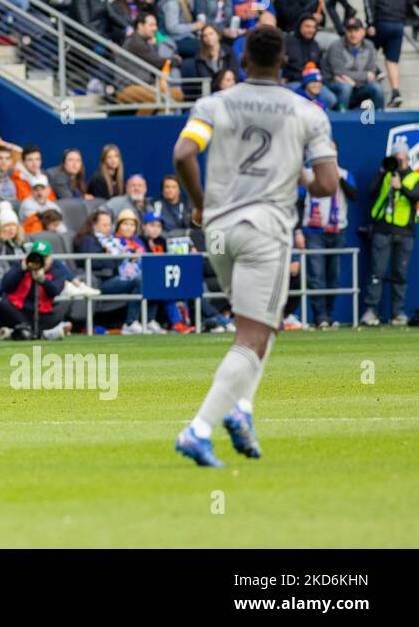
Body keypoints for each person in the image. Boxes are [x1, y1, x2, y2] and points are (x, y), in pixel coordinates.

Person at [172, 24, 339, 467]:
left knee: (260, 327)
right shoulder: (307, 111)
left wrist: (201, 205)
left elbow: (183, 155)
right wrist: (296, 175)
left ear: (242, 62)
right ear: (283, 63)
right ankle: (199, 429)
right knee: (252, 334)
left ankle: (242, 411)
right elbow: (326, 183)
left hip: (220, 230)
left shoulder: (214, 103)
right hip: (265, 228)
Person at [359, 146, 419, 327]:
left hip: (405, 232)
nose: (397, 164)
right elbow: (370, 192)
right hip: (382, 230)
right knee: (377, 273)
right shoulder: (385, 175)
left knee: (400, 274)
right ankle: (370, 312)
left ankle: (397, 313)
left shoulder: (414, 177)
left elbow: (416, 196)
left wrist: (400, 188)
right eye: (394, 159)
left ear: (408, 160)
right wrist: (382, 171)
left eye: (399, 160)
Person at [298, 153, 355, 329]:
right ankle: (320, 317)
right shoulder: (307, 174)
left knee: (334, 277)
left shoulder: (344, 174)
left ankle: (328, 315)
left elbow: (354, 196)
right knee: (316, 276)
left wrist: (337, 177)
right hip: (313, 232)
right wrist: (298, 230)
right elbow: (298, 202)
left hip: (337, 232)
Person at [324, 16, 384, 111]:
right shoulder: (336, 45)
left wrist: (354, 82)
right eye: (349, 30)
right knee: (346, 88)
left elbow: (371, 73)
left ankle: (381, 118)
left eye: (356, 30)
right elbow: (339, 72)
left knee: (376, 88)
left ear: (363, 32)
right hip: (334, 84)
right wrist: (364, 76)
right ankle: (342, 117)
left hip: (358, 86)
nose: (353, 34)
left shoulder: (369, 46)